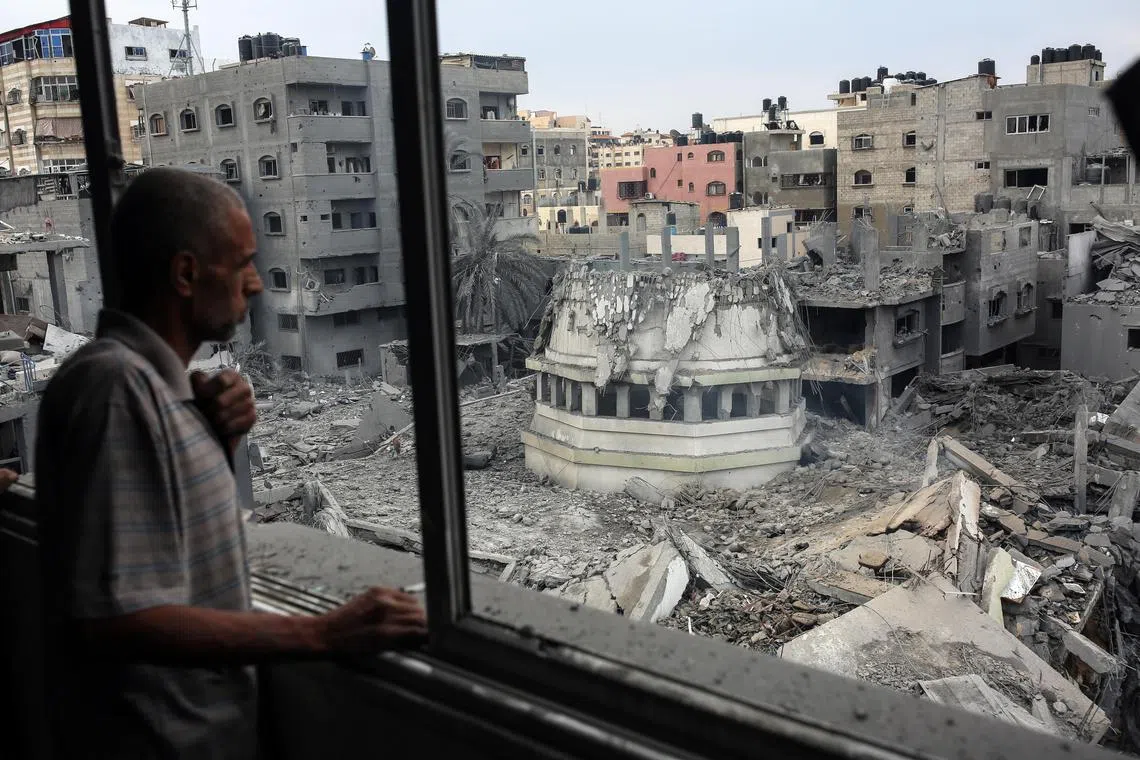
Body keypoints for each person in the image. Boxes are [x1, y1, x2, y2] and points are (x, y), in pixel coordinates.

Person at [36, 168, 427, 759]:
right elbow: (117, 619)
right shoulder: (116, 391)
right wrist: (321, 632)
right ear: (186, 274)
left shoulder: (152, 391)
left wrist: (217, 440)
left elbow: (179, 545)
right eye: (242, 262)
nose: (256, 283)